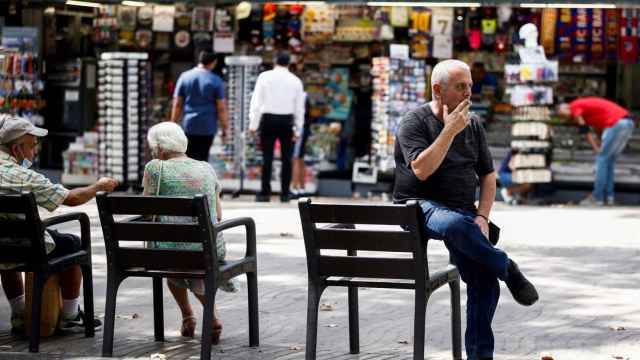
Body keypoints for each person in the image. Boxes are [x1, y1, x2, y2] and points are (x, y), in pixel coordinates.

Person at [393, 59, 538, 360]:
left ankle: (479, 356)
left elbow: (488, 175)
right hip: (419, 206)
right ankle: (507, 267)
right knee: (458, 226)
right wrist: (448, 132)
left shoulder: (473, 125)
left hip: (461, 210)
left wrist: (483, 216)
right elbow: (421, 170)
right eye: (461, 87)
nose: (468, 94)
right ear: (438, 90)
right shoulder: (414, 122)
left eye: (470, 86)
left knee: (485, 282)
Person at [0, 114, 117, 335]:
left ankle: (19, 313)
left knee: (8, 247)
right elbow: (71, 198)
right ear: (16, 150)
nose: (35, 152)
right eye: (32, 146)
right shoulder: (23, 176)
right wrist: (97, 186)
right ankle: (71, 315)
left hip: (4, 246)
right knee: (73, 243)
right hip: (28, 246)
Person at [141, 121, 234, 344]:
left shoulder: (155, 168)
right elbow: (218, 215)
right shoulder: (206, 168)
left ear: (160, 149)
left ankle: (188, 316)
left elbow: (145, 210)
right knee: (190, 255)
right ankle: (208, 316)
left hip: (165, 253)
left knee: (174, 256)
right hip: (207, 249)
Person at [556, 97, 636, 206]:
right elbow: (598, 127)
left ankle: (597, 197)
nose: (565, 118)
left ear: (566, 106)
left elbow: (584, 129)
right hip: (628, 123)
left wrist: (596, 148)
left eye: (562, 114)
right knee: (609, 161)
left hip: (617, 123)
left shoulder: (574, 106)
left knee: (601, 159)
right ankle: (609, 198)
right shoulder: (586, 112)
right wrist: (599, 142)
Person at [249, 51, 305, 202]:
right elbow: (299, 108)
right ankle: (285, 193)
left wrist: (253, 123)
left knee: (267, 157)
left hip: (268, 119)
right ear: (289, 63)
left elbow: (256, 102)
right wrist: (298, 129)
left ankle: (265, 192)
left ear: (274, 61)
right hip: (287, 121)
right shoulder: (296, 81)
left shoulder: (264, 77)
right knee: (287, 158)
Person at [171, 50, 228, 162]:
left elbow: (177, 104)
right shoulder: (216, 80)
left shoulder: (185, 77)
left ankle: (188, 179)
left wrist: (173, 124)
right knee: (203, 159)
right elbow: (221, 108)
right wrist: (225, 127)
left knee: (188, 159)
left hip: (189, 126)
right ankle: (201, 179)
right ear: (213, 62)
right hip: (208, 127)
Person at [291, 93, 311, 197]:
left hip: (299, 129)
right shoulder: (304, 96)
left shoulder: (300, 96)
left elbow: (299, 115)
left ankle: (295, 188)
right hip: (303, 129)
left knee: (296, 159)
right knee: (300, 159)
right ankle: (302, 188)